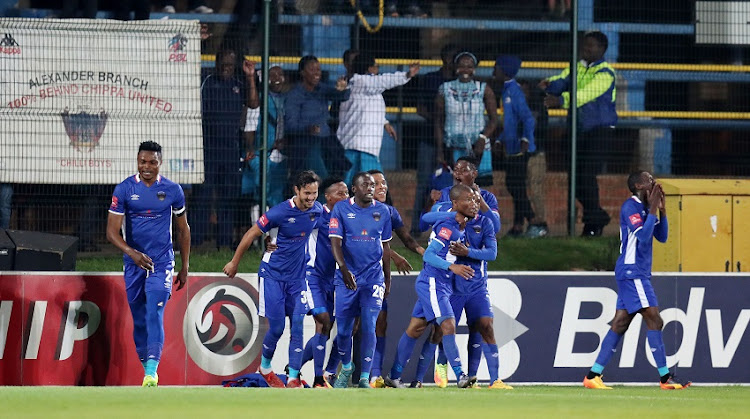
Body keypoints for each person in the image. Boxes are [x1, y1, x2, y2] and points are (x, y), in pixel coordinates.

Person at [583, 171, 690, 390]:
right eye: (650, 181)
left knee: (620, 323)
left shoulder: (644, 208)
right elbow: (642, 237)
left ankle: (592, 376)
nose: (655, 184)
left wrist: (662, 211)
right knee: (655, 319)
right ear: (640, 185)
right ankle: (664, 378)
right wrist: (651, 209)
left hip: (634, 272)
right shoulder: (630, 207)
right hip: (633, 272)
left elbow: (661, 236)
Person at [223, 170, 323, 388]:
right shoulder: (278, 212)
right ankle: (265, 367)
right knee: (276, 328)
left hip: (297, 279)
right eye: (307, 193)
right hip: (273, 277)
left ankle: (294, 378)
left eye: (314, 193)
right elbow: (251, 234)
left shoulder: (317, 211)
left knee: (297, 324)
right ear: (296, 190)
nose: (311, 198)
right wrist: (234, 263)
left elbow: (330, 232)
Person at [106, 141, 190, 387]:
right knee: (140, 318)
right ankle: (148, 369)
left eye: (152, 162)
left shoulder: (173, 191)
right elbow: (111, 233)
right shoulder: (124, 189)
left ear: (160, 163)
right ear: (137, 161)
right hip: (133, 264)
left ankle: (151, 372)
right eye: (143, 162)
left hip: (161, 262)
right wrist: (132, 253)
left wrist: (185, 266)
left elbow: (183, 229)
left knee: (155, 310)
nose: (147, 167)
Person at [384, 184, 478, 389]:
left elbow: (428, 218)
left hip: (438, 282)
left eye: (474, 199)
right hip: (435, 282)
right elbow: (428, 255)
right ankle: (461, 375)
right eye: (468, 200)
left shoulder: (460, 222)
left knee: (415, 329)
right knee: (448, 325)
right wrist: (452, 266)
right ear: (455, 203)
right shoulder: (448, 227)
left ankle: (394, 376)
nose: (473, 203)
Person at [539, 30, 616, 237]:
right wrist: (550, 84)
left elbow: (587, 94)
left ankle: (592, 225)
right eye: (585, 45)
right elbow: (562, 79)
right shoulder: (577, 67)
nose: (586, 49)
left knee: (586, 176)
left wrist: (561, 100)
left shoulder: (606, 73)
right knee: (575, 178)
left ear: (602, 49)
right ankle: (598, 216)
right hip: (577, 130)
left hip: (598, 132)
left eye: (591, 46)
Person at [329, 172, 392, 388]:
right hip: (347, 277)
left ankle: (365, 377)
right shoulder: (341, 209)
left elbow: (385, 247)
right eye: (365, 184)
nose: (371, 188)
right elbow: (335, 243)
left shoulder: (383, 211)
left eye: (373, 185)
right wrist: (344, 270)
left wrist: (387, 279)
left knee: (369, 325)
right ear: (354, 189)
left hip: (373, 277)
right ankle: (346, 367)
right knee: (345, 330)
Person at [367, 169, 425, 387]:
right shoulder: (353, 210)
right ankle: (329, 372)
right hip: (351, 276)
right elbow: (360, 243)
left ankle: (374, 376)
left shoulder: (389, 212)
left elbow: (406, 239)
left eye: (384, 183)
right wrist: (394, 255)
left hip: (376, 277)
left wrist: (424, 253)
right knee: (350, 327)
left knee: (380, 323)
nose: (382, 187)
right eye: (376, 183)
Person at [194, 49, 253, 250]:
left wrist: (250, 77)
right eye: (224, 64)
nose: (227, 68)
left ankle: (224, 243)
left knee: (228, 197)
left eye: (230, 65)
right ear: (217, 63)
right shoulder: (206, 81)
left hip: (231, 149)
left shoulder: (239, 84)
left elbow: (253, 103)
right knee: (203, 195)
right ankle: (196, 241)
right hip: (207, 148)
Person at [337, 53, 419, 185]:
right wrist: (407, 75)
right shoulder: (364, 82)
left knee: (350, 184)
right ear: (369, 68)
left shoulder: (357, 84)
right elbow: (385, 80)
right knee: (371, 185)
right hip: (362, 146)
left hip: (354, 143)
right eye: (376, 66)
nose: (378, 69)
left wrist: (385, 122)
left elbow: (369, 108)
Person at [299, 177, 350, 388]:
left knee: (330, 328)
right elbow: (290, 223)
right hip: (313, 277)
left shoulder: (349, 217)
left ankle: (295, 368)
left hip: (335, 280)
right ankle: (319, 378)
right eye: (340, 194)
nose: (346, 197)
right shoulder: (319, 214)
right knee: (323, 320)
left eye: (347, 193)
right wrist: (272, 240)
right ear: (328, 197)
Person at [410, 43, 460, 236]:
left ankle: (452, 226)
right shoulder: (431, 79)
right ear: (445, 59)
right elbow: (419, 108)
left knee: (453, 186)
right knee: (423, 183)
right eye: (452, 58)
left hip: (453, 141)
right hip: (428, 139)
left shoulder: (460, 83)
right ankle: (416, 226)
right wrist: (438, 120)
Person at [285, 55, 351, 186]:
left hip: (327, 141)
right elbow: (290, 125)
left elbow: (340, 95)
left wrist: (342, 89)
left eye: (318, 69)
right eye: (312, 69)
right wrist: (307, 129)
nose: (317, 73)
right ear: (302, 73)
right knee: (319, 178)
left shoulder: (322, 88)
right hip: (306, 143)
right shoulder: (295, 95)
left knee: (340, 172)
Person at [435, 50, 498, 185]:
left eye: (469, 66)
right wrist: (440, 150)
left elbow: (494, 120)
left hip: (479, 148)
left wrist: (483, 138)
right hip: (455, 147)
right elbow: (438, 122)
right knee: (459, 188)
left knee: (481, 190)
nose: (466, 70)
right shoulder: (445, 89)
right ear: (456, 68)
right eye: (462, 65)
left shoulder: (483, 89)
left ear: (474, 69)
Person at [493, 55, 537, 237]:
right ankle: (518, 226)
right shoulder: (506, 90)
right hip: (511, 146)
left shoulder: (514, 92)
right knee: (515, 185)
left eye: (496, 68)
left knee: (515, 185)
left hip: (519, 148)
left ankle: (535, 221)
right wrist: (499, 140)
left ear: (505, 71)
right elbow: (510, 122)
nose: (493, 72)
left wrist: (526, 138)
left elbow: (527, 117)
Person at [244, 63, 289, 208]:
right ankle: (259, 229)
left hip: (281, 156)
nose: (277, 78)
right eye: (272, 75)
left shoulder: (287, 99)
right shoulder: (258, 99)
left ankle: (274, 230)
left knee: (277, 195)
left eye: (280, 75)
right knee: (261, 194)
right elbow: (249, 127)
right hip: (261, 154)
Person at [435, 156, 500, 232]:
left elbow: (495, 227)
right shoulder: (445, 193)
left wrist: (480, 200)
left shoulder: (488, 197)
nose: (458, 174)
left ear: (474, 174)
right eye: (456, 170)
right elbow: (433, 222)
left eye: (464, 170)